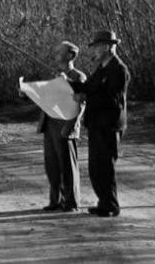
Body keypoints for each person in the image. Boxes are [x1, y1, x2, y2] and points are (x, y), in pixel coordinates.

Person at [69, 30, 130, 217]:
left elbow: (111, 100)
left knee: (105, 166)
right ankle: (104, 202)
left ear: (106, 47)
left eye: (96, 47)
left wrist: (86, 97)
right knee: (95, 167)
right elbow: (88, 87)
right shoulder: (101, 69)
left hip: (109, 125)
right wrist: (69, 84)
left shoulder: (119, 70)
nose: (94, 51)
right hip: (96, 124)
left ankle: (111, 205)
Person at [38, 41, 86, 212]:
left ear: (70, 55)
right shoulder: (53, 76)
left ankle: (71, 202)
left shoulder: (78, 77)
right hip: (49, 124)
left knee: (67, 166)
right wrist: (25, 93)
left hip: (65, 125)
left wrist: (71, 125)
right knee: (52, 165)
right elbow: (43, 97)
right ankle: (55, 200)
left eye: (60, 52)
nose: (56, 55)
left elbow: (81, 103)